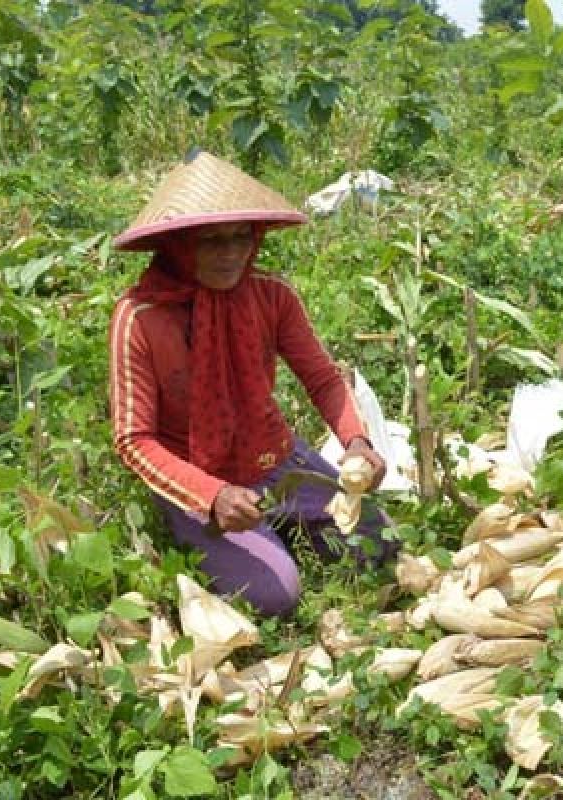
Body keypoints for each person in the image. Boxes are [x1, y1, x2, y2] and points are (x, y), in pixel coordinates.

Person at [109, 150, 396, 616]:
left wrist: (357, 442)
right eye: (212, 242)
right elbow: (134, 440)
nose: (231, 255)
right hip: (197, 475)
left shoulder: (270, 296)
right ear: (179, 245)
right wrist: (212, 495)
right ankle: (250, 535)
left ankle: (275, 525)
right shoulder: (141, 318)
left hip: (274, 458)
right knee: (275, 595)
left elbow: (323, 379)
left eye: (241, 238)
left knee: (376, 542)